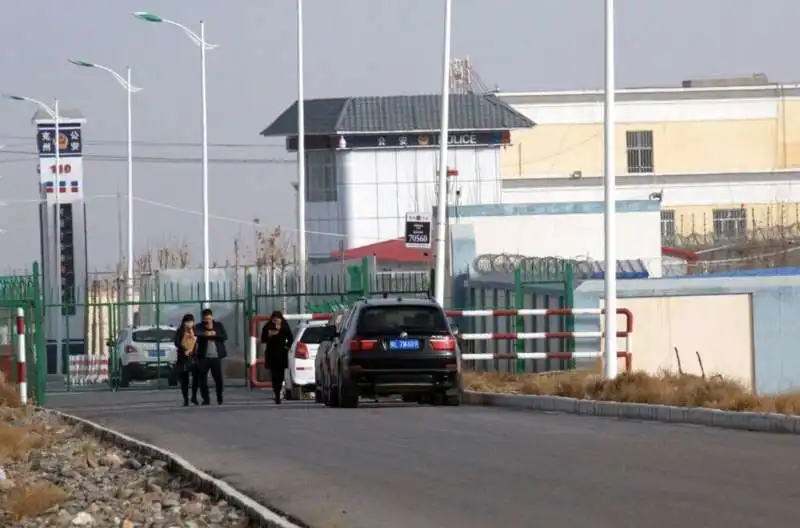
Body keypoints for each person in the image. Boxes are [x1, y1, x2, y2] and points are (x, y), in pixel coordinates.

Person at [195, 308, 228, 405]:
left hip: (216, 356)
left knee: (218, 378)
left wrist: (214, 334)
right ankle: (206, 399)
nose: (207, 321)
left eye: (209, 318)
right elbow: (197, 336)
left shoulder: (218, 325)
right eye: (206, 319)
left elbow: (224, 337)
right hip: (203, 357)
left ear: (212, 317)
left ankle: (219, 396)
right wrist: (207, 334)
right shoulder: (199, 327)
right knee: (203, 379)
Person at [260, 310, 294, 404]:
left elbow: (291, 337)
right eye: (274, 319)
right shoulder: (268, 326)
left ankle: (279, 391)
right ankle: (277, 394)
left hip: (282, 353)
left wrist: (287, 347)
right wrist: (269, 336)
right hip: (271, 353)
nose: (276, 321)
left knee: (281, 375)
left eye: (278, 319)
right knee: (274, 375)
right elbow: (263, 339)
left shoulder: (285, 325)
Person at [173, 313, 199, 406]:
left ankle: (194, 397)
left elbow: (198, 341)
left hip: (194, 357)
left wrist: (193, 349)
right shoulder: (180, 331)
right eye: (187, 322)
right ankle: (186, 399)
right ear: (184, 322)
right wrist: (184, 349)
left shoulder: (195, 330)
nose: (189, 323)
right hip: (183, 358)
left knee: (196, 378)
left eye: (191, 321)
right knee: (184, 380)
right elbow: (176, 342)